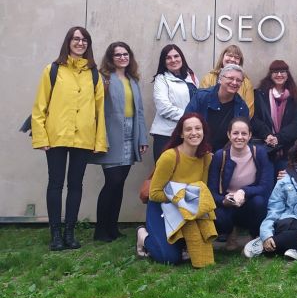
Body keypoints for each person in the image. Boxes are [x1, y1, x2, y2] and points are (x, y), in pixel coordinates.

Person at [31, 26, 107, 251]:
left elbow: (99, 110)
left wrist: (99, 141)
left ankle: (70, 232)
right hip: (56, 136)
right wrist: (41, 137)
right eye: (76, 39)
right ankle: (55, 234)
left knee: (76, 185)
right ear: (68, 42)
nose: (80, 43)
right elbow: (40, 106)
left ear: (88, 44)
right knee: (55, 184)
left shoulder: (94, 74)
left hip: (84, 137)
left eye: (84, 40)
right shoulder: (53, 70)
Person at [136, 113, 216, 267]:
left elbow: (201, 188)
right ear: (181, 134)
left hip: (187, 207)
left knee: (193, 248)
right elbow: (154, 194)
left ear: (204, 131)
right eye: (188, 129)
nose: (194, 133)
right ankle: (142, 236)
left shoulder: (206, 157)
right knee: (169, 258)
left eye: (198, 128)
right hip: (162, 206)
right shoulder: (170, 156)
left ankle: (181, 242)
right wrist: (180, 197)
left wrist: (186, 201)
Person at [91, 41, 148, 242]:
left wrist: (142, 137)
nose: (122, 57)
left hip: (131, 133)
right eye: (118, 55)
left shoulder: (133, 80)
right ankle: (100, 230)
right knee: (112, 181)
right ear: (111, 58)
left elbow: (139, 111)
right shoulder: (103, 78)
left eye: (125, 54)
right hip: (111, 135)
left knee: (119, 183)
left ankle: (112, 228)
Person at [207, 117, 273, 251]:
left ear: (250, 135)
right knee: (219, 217)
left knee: (259, 202)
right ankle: (230, 232)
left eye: (244, 133)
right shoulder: (220, 156)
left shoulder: (259, 152)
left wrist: (243, 191)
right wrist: (224, 200)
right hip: (228, 202)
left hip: (249, 200)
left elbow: (266, 186)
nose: (239, 137)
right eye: (235, 133)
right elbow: (211, 191)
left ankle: (254, 235)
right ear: (228, 135)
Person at [252, 60, 297, 174]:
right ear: (270, 74)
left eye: (283, 71)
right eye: (275, 71)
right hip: (265, 150)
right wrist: (267, 135)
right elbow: (254, 119)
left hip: (287, 151)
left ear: (287, 75)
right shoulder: (259, 94)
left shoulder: (295, 96)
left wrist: (278, 138)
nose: (279, 75)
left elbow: (296, 123)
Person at [149, 44, 199, 161]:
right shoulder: (161, 78)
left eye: (176, 56)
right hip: (166, 135)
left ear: (181, 57)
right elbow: (164, 107)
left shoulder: (191, 76)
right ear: (164, 61)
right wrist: (189, 117)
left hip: (187, 134)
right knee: (166, 171)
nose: (173, 60)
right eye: (168, 58)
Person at [185, 64, 250, 151]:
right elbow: (186, 123)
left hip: (224, 154)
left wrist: (222, 154)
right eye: (230, 78)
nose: (234, 82)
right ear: (220, 79)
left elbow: (241, 136)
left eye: (238, 80)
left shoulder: (242, 107)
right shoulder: (201, 97)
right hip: (197, 150)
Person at [199, 44, 255, 116]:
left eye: (236, 57)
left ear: (240, 62)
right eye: (229, 55)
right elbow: (202, 103)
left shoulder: (246, 82)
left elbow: (248, 110)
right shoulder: (208, 78)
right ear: (222, 57)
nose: (232, 59)